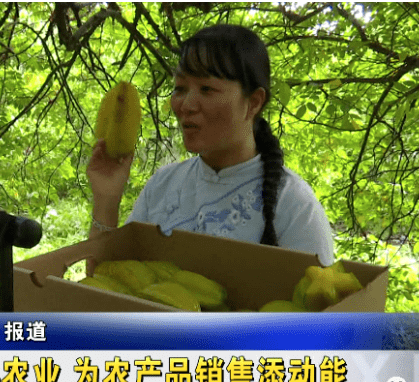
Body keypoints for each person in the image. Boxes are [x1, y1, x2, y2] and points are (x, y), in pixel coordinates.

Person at [86, 24, 334, 269]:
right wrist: (106, 200)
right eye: (180, 89)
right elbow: (104, 287)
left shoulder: (295, 205)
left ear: (254, 102)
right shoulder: (162, 186)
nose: (187, 105)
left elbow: (321, 304)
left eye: (206, 89)